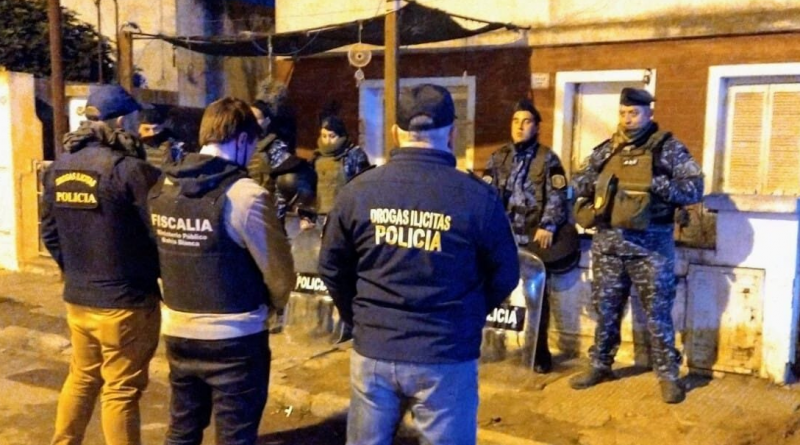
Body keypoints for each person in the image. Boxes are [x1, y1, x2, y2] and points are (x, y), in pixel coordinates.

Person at [319, 84, 520, 445]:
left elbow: (332, 266)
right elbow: (505, 275)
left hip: (376, 349)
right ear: (452, 133)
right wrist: (466, 317)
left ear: (396, 132)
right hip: (445, 353)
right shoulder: (477, 197)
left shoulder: (359, 191)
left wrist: (361, 318)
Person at [148, 97, 294, 444]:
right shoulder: (246, 195)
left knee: (182, 430)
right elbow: (280, 274)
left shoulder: (164, 187)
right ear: (242, 139)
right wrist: (273, 307)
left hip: (179, 330)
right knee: (235, 437)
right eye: (252, 145)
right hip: (236, 337)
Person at [42, 84, 162, 445]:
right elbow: (160, 234)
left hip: (79, 299)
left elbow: (49, 233)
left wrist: (76, 271)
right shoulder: (131, 171)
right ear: (122, 121)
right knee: (121, 389)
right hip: (126, 304)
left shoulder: (59, 168)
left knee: (82, 377)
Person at [568, 88, 703, 404]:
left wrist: (652, 182)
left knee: (658, 314)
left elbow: (694, 188)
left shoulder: (668, 149)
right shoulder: (607, 149)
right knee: (606, 310)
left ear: (649, 114)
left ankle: (668, 376)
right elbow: (578, 182)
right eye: (623, 113)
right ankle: (600, 365)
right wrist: (597, 187)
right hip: (609, 246)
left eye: (634, 113)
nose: (628, 119)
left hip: (651, 249)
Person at [483, 99, 572, 374]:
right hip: (503, 239)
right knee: (496, 294)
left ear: (537, 127)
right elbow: (487, 194)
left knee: (537, 299)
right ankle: (492, 346)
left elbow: (558, 194)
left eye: (527, 121)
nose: (520, 127)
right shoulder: (498, 158)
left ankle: (538, 353)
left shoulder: (548, 158)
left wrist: (548, 225)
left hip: (534, 239)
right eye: (515, 121)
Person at [247, 78, 316, 229]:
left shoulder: (274, 146)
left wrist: (303, 212)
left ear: (267, 121)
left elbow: (293, 177)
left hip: (268, 218)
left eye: (256, 119)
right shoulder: (244, 143)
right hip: (245, 213)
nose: (251, 122)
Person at [312, 113, 371, 219]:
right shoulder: (317, 157)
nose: (327, 141)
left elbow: (363, 188)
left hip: (344, 215)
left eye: (332, 136)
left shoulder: (354, 156)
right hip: (320, 215)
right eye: (324, 136)